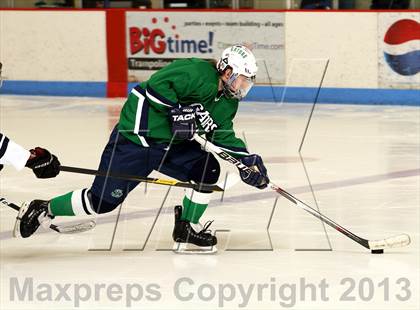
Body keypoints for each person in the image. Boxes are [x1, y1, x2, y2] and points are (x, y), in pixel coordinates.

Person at [14, 45, 270, 253]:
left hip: (171, 146)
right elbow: (156, 86)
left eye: (247, 81)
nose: (242, 86)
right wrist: (175, 110)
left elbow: (220, 133)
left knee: (207, 169)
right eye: (241, 79)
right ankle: (44, 207)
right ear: (226, 71)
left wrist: (245, 161)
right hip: (135, 140)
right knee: (101, 202)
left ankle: (186, 228)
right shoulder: (195, 72)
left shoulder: (226, 103)